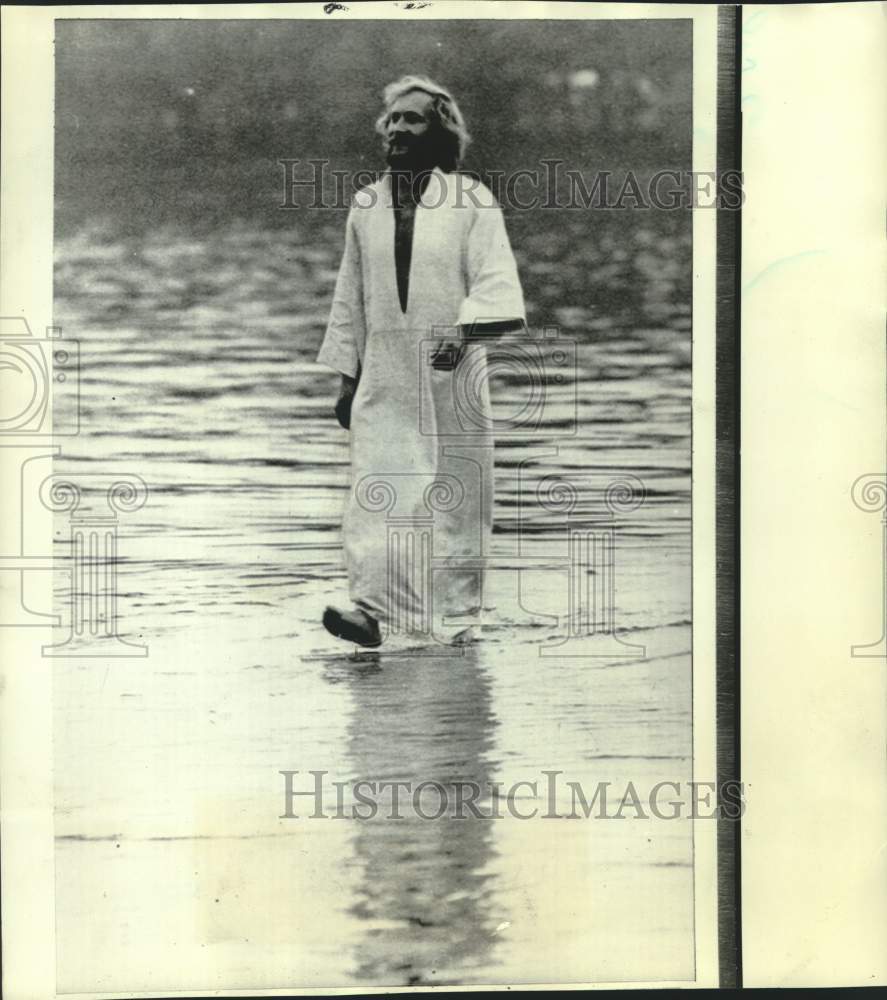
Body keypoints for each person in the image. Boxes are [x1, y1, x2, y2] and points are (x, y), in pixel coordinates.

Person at [317, 75, 525, 647]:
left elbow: (496, 284)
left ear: (440, 131)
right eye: (393, 120)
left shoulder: (471, 201)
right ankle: (371, 612)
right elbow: (349, 298)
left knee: (455, 498)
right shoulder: (366, 205)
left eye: (414, 119)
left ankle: (457, 628)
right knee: (376, 490)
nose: (399, 129)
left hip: (450, 372)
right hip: (383, 375)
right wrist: (345, 379)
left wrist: (465, 331)